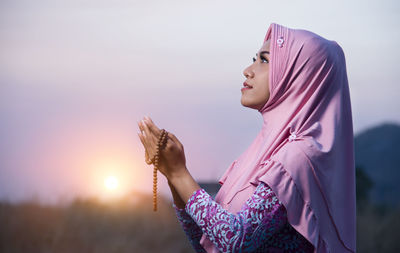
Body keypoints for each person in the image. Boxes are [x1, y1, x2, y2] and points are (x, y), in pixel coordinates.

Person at [137, 22, 356, 253]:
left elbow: (235, 241)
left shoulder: (298, 157)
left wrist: (180, 174)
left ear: (299, 75)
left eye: (264, 60)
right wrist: (172, 175)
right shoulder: (266, 152)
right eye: (255, 58)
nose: (248, 70)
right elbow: (206, 245)